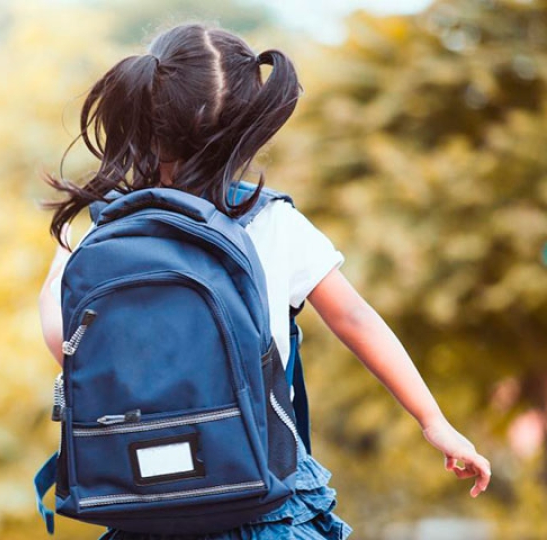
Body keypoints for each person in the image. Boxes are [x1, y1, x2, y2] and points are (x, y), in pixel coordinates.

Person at [36, 22, 491, 540]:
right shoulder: (270, 222)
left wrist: (57, 274)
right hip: (264, 504)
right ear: (246, 129)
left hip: (142, 508)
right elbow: (356, 319)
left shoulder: (104, 232)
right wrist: (435, 422)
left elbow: (67, 349)